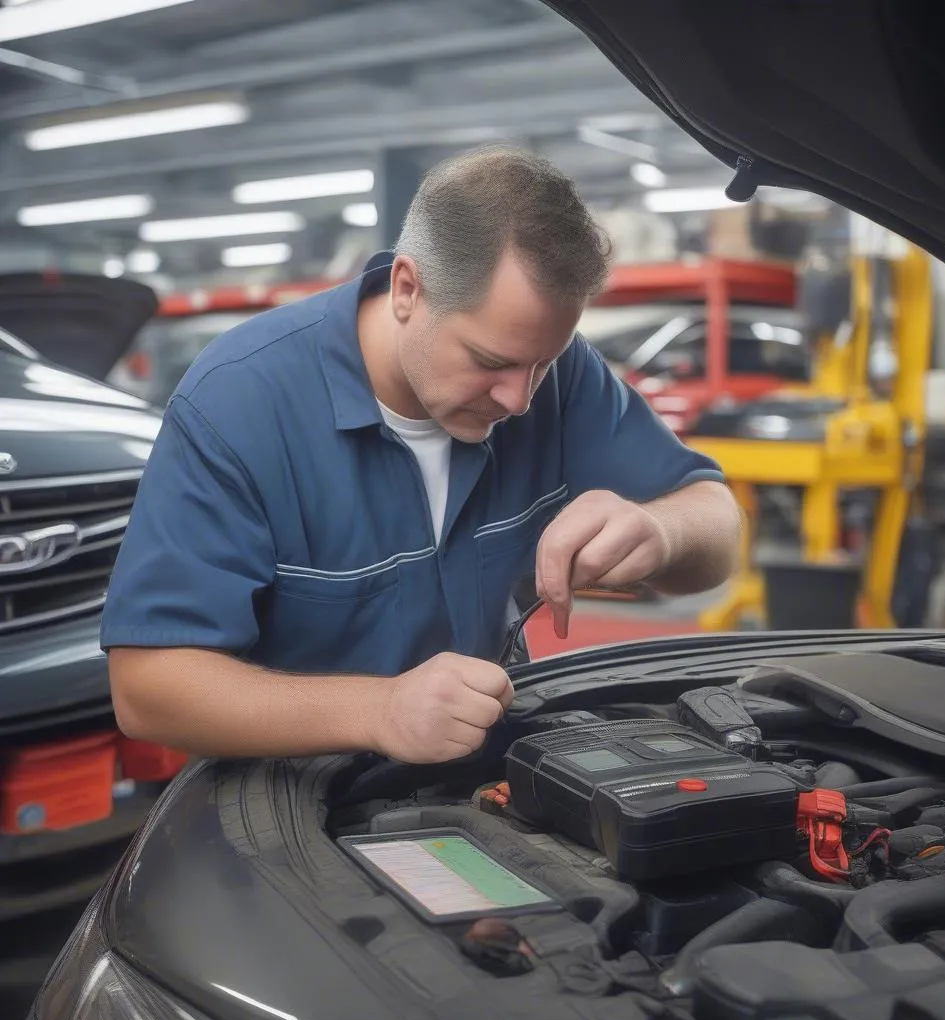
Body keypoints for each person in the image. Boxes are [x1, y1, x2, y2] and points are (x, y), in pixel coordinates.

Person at [101, 146, 741, 764]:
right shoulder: (240, 401)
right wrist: (378, 710)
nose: (520, 400)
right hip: (291, 804)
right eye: (492, 362)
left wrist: (659, 530)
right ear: (407, 288)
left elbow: (716, 525)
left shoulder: (562, 377)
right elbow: (149, 689)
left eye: (542, 363)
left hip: (487, 778)